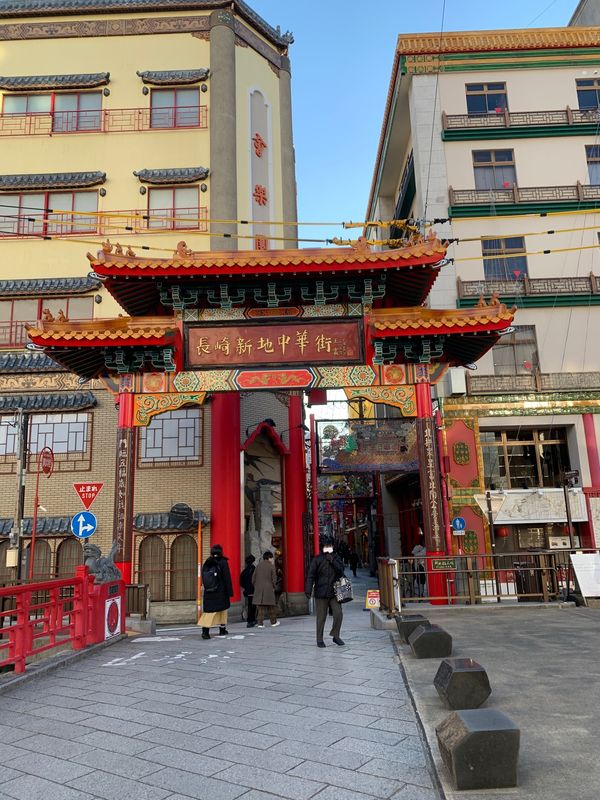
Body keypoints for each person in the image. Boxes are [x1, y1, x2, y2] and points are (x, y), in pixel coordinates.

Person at [305, 536, 346, 648]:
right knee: (321, 617)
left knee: (338, 614)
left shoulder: (336, 557)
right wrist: (308, 590)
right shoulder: (317, 559)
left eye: (329, 546)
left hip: (335, 592)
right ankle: (319, 639)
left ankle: (335, 635)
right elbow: (310, 575)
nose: (328, 548)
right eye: (326, 546)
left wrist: (332, 560)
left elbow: (341, 571)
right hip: (321, 592)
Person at [198, 544, 233, 640]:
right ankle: (222, 629)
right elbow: (227, 578)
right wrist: (230, 591)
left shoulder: (208, 562)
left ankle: (205, 631)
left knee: (209, 612)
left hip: (209, 592)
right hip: (221, 591)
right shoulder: (223, 562)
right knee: (223, 610)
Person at [252, 550, 280, 628]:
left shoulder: (258, 566)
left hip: (259, 589)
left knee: (261, 607)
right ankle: (273, 622)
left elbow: (253, 578)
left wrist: (256, 586)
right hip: (269, 589)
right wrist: (274, 587)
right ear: (269, 558)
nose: (272, 559)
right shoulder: (271, 566)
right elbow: (274, 579)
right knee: (271, 607)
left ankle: (260, 623)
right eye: (272, 558)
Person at [239, 554, 257, 628]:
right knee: (254, 606)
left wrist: (246, 587)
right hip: (254, 590)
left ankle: (250, 620)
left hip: (248, 591)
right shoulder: (255, 570)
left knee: (250, 605)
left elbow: (241, 582)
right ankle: (252, 620)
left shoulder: (244, 571)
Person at [412, 533, 427, 599]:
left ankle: (420, 595)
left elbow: (413, 553)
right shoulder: (422, 549)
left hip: (420, 567)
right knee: (422, 581)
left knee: (420, 582)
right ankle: (421, 594)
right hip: (421, 567)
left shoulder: (420, 548)